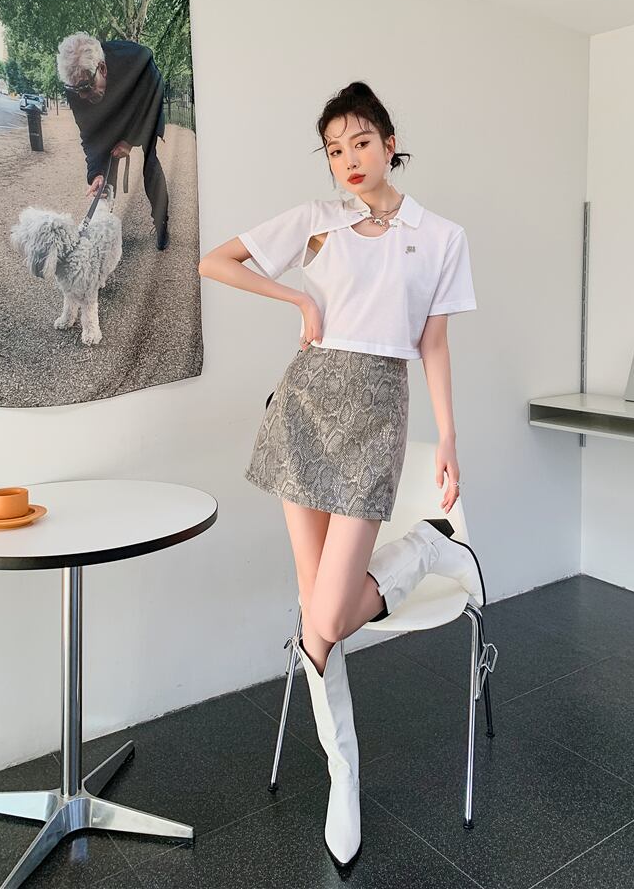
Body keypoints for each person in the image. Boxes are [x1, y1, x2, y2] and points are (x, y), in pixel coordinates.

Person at [198, 81, 482, 873]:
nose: (348, 159)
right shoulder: (317, 221)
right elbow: (214, 261)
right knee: (313, 615)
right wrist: (294, 295)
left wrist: (448, 437)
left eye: (360, 141)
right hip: (303, 408)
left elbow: (432, 344)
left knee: (328, 612)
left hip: (376, 416)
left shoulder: (441, 236)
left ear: (390, 142)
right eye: (333, 149)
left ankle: (425, 548)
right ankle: (343, 776)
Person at [56, 32, 170, 250]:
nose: (82, 96)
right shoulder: (76, 86)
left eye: (86, 87)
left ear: (102, 68)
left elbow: (153, 100)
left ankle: (161, 220)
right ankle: (103, 229)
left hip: (142, 108)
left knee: (150, 163)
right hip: (110, 113)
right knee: (105, 173)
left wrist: (130, 140)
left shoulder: (136, 58)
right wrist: (96, 172)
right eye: (76, 91)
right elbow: (90, 135)